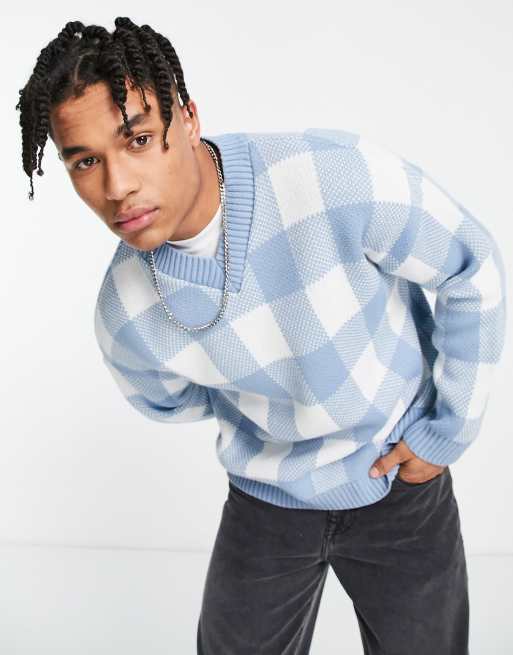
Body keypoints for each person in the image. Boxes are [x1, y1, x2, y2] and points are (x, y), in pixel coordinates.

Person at [16, 17, 506, 655]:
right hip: (265, 504)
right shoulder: (126, 315)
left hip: (400, 479)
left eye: (138, 138)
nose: (117, 186)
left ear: (188, 118)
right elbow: (169, 401)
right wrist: (271, 416)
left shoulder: (333, 176)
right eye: (86, 161)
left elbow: (472, 267)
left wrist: (446, 431)